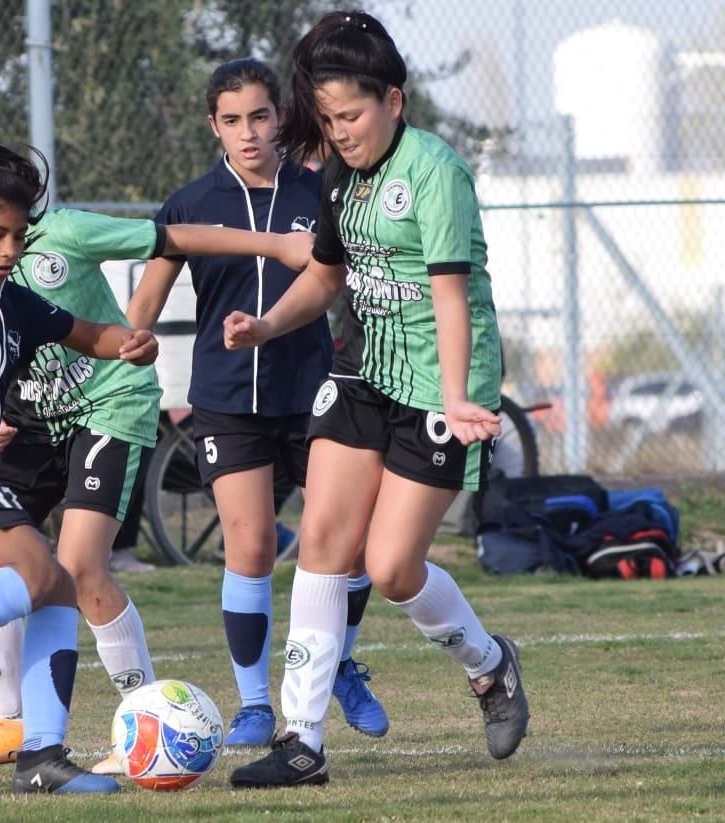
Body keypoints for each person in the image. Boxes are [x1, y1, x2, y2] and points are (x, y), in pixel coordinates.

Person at [0, 113, 318, 777]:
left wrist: (132, 341)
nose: (10, 249)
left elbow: (90, 333)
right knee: (40, 574)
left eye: (18, 235)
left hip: (11, 450)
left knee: (58, 580)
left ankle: (42, 752)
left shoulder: (10, 299)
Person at [225, 11, 528, 789]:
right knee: (324, 541)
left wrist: (458, 398)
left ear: (394, 100)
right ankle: (302, 742)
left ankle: (489, 665)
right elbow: (327, 277)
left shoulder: (435, 172)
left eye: (351, 116)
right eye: (327, 119)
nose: (341, 132)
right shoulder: (338, 173)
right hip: (361, 369)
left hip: (437, 382)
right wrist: (264, 324)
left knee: (392, 568)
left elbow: (450, 296)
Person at [128, 57, 388, 745]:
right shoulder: (190, 204)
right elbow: (144, 304)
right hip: (223, 398)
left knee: (351, 544)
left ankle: (336, 662)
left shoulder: (322, 190)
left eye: (260, 117)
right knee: (247, 545)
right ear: (213, 124)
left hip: (316, 396)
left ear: (281, 118)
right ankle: (252, 705)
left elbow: (354, 278)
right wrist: (131, 341)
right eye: (232, 119)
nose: (248, 133)